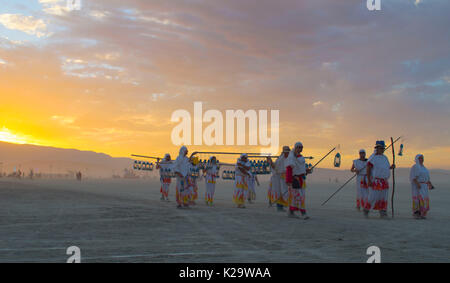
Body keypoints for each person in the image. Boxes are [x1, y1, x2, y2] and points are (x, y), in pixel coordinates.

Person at [364, 140, 395, 219]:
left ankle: (383, 212)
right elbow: (368, 168)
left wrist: (391, 167)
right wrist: (369, 180)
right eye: (381, 148)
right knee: (373, 196)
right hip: (375, 181)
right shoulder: (373, 158)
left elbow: (386, 168)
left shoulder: (385, 158)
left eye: (383, 148)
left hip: (384, 181)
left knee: (383, 197)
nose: (382, 150)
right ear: (377, 148)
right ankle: (366, 209)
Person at [285, 142, 313, 219]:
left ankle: (291, 212)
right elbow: (289, 169)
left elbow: (301, 169)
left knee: (300, 197)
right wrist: (289, 180)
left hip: (301, 180)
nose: (301, 149)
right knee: (298, 197)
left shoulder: (301, 157)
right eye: (300, 147)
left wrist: (306, 171)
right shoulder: (291, 157)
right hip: (295, 180)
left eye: (302, 147)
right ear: (296, 147)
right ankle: (303, 213)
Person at [410, 154, 434, 219]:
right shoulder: (415, 167)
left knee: (423, 199)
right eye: (420, 158)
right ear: (417, 159)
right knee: (418, 199)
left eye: (422, 158)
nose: (422, 159)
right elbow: (413, 177)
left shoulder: (424, 168)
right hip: (418, 186)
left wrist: (430, 184)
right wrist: (417, 184)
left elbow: (427, 178)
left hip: (424, 186)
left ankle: (422, 213)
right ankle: (416, 213)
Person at [268, 146, 290, 212]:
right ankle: (279, 207)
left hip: (287, 177)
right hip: (280, 178)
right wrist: (270, 161)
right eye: (286, 152)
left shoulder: (290, 159)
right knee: (280, 192)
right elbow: (275, 167)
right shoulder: (280, 160)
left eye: (288, 152)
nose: (287, 153)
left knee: (286, 192)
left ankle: (287, 207)